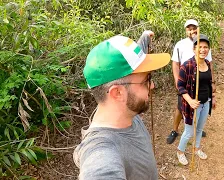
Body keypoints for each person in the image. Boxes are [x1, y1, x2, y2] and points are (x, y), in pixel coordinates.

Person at [73, 32, 170, 179]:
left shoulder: (123, 110)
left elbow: (134, 58)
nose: (152, 85)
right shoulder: (101, 150)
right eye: (146, 80)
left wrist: (144, 38)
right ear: (117, 93)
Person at [167, 19, 216, 144]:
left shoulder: (203, 43)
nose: (192, 31)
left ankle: (196, 128)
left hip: (200, 81)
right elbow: (175, 63)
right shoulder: (180, 44)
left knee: (200, 103)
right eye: (189, 29)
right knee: (181, 107)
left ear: (198, 28)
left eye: (194, 28)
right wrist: (177, 80)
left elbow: (209, 64)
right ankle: (175, 130)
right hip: (185, 81)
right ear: (186, 31)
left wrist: (213, 83)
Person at [176, 34, 216, 165]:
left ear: (208, 50)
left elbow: (210, 83)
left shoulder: (208, 64)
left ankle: (196, 148)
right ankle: (180, 151)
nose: (203, 50)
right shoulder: (187, 65)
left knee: (199, 129)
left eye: (206, 47)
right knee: (188, 132)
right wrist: (190, 101)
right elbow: (180, 86)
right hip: (192, 105)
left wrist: (213, 98)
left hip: (206, 103)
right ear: (194, 49)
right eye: (200, 47)